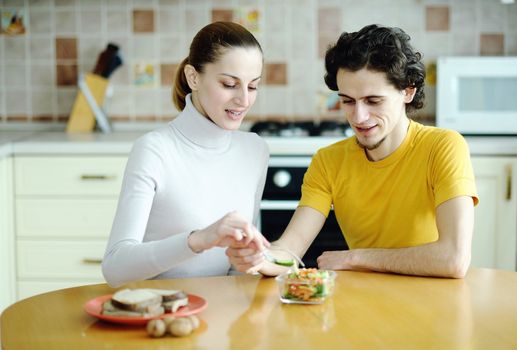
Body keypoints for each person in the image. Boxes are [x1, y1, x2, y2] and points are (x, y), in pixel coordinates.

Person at [227, 24, 479, 278]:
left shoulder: (443, 147)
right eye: (347, 101)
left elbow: (453, 259)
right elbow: (290, 251)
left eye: (373, 101)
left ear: (408, 90)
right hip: (364, 302)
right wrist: (259, 257)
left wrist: (355, 257)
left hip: (431, 306)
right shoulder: (329, 161)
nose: (359, 117)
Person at [102, 21, 269, 288]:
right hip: (161, 316)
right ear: (194, 78)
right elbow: (114, 267)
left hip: (225, 318)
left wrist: (252, 261)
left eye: (252, 86)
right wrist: (198, 240)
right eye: (229, 84)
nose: (244, 100)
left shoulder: (255, 150)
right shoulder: (154, 150)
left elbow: (238, 264)